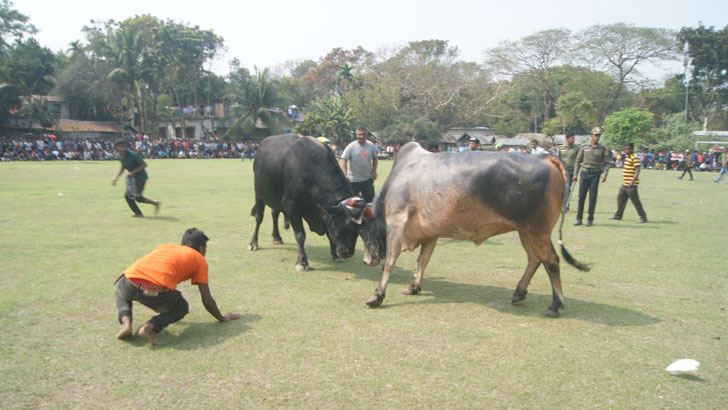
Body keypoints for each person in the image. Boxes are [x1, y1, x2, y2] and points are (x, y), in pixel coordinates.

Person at [114, 228, 241, 346]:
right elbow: (207, 300)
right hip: (155, 292)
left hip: (129, 283)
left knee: (121, 287)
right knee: (181, 307)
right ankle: (150, 328)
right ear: (201, 247)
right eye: (206, 247)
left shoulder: (164, 247)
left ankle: (126, 323)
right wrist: (221, 317)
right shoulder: (199, 259)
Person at [112, 140, 161, 217]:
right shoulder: (120, 156)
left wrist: (132, 173)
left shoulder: (132, 155)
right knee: (137, 198)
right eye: (120, 147)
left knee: (130, 196)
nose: (122, 148)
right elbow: (123, 166)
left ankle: (139, 213)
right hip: (133, 178)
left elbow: (144, 165)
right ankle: (154, 204)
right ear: (116, 148)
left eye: (124, 146)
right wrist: (117, 177)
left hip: (140, 178)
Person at [573, 126, 609, 226]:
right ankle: (579, 218)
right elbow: (578, 160)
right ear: (591, 136)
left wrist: (605, 174)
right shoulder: (584, 147)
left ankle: (590, 219)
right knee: (581, 197)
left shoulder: (602, 149)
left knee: (592, 197)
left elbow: (606, 162)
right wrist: (575, 174)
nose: (597, 137)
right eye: (596, 135)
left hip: (595, 174)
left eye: (599, 136)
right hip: (584, 173)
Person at [608, 142, 647, 223]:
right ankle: (618, 215)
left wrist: (632, 181)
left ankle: (643, 217)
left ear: (632, 149)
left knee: (635, 201)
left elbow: (637, 169)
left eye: (628, 149)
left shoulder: (634, 157)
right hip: (625, 183)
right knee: (621, 199)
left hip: (631, 184)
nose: (626, 150)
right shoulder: (627, 156)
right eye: (625, 149)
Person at [341, 126, 378, 202]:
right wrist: (345, 175)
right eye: (359, 134)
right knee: (350, 202)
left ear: (367, 135)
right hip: (353, 180)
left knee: (370, 202)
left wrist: (374, 171)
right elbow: (344, 160)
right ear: (356, 135)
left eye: (363, 134)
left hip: (367, 179)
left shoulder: (371, 145)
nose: (361, 136)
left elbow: (375, 158)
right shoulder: (351, 146)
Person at [557, 133, 579, 211]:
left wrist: (576, 173)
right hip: (561, 170)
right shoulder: (561, 148)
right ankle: (563, 204)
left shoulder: (576, 149)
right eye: (572, 138)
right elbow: (557, 158)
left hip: (571, 171)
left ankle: (565, 205)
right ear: (567, 139)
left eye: (574, 138)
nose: (573, 140)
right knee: (562, 188)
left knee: (567, 187)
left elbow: (578, 160)